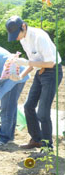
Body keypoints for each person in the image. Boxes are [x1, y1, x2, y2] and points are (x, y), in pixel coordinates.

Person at [6, 16, 63, 149]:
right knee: (28, 106)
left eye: (16, 34)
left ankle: (47, 146)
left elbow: (50, 63)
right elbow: (33, 62)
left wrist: (27, 63)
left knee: (43, 112)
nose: (16, 38)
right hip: (40, 71)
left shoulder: (39, 37)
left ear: (24, 27)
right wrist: (20, 76)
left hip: (52, 72)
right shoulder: (24, 39)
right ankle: (37, 139)